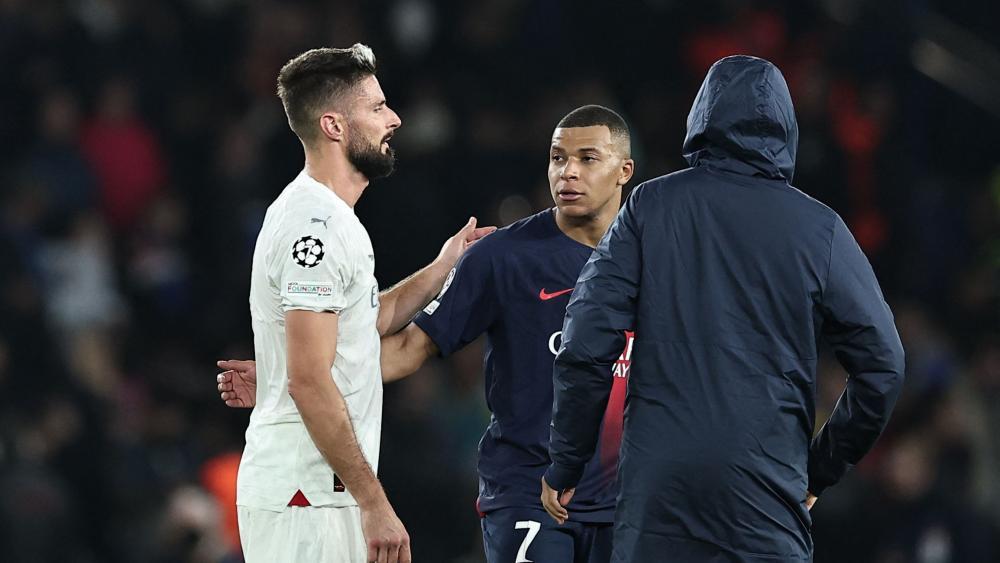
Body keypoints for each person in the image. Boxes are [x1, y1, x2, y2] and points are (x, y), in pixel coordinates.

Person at [219, 105, 636, 563]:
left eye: (588, 159)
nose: (568, 172)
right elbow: (405, 349)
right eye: (558, 158)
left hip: (630, 495)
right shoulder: (503, 258)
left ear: (624, 171)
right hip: (528, 491)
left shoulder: (657, 260)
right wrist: (292, 375)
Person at [541, 55, 906, 562]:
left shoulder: (650, 207)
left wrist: (567, 462)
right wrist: (819, 468)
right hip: (764, 500)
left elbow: (585, 338)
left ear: (702, 119)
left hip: (659, 502)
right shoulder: (819, 231)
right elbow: (883, 366)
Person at [236, 43, 493, 563]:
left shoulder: (327, 218)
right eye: (376, 107)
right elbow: (309, 378)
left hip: (313, 494)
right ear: (334, 125)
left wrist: (444, 267)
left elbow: (359, 329)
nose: (394, 118)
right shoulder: (317, 228)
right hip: (305, 496)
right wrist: (374, 502)